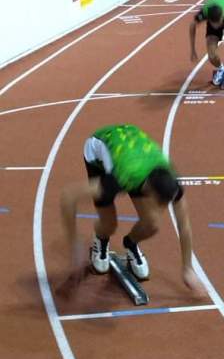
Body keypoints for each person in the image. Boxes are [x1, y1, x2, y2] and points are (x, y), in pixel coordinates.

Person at [60, 124, 207, 298]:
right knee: (109, 225)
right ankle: (101, 239)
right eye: (159, 203)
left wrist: (188, 268)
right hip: (99, 149)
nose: (162, 208)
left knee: (152, 223)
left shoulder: (172, 181)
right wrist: (74, 248)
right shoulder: (120, 180)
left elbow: (184, 224)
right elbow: (68, 196)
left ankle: (131, 244)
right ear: (148, 191)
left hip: (136, 156)